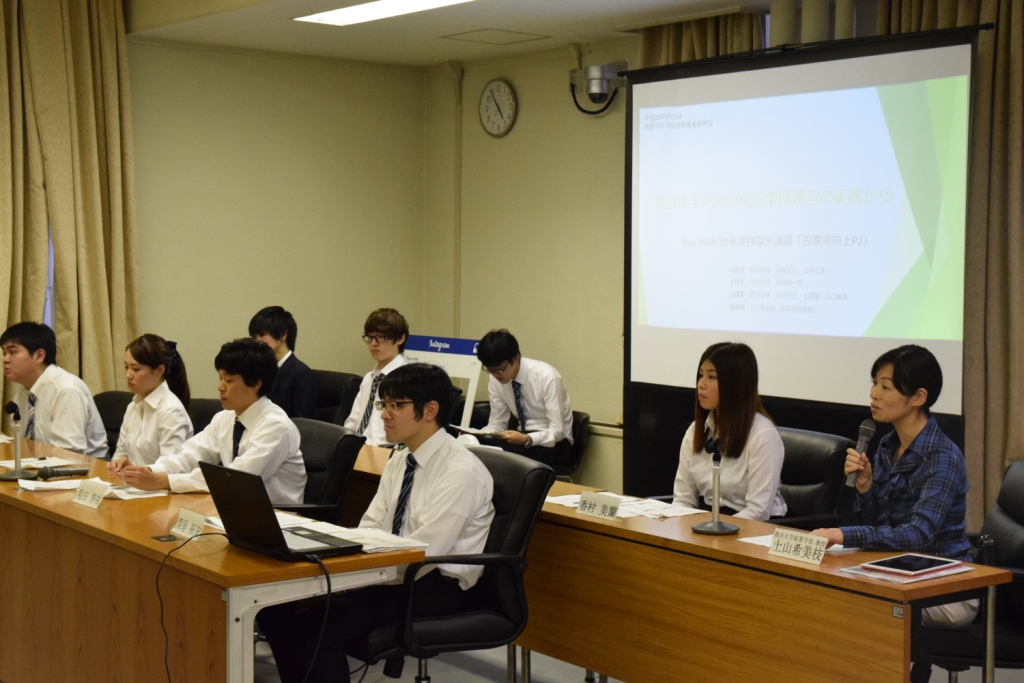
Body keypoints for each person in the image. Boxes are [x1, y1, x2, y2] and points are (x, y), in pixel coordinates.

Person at [258, 362, 494, 683]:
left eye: (396, 405)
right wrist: (339, 572)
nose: (384, 414)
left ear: (430, 410)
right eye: (384, 404)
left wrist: (349, 583)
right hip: (391, 570)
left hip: (434, 582)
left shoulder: (460, 470)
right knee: (275, 610)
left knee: (318, 626)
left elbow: (423, 552)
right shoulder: (401, 459)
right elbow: (371, 527)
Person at [811, 345, 976, 682]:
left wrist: (843, 535)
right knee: (826, 594)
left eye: (885, 387)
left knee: (852, 608)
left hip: (945, 584)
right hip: (897, 571)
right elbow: (881, 524)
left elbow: (917, 534)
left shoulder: (942, 457)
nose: (874, 394)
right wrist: (866, 487)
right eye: (874, 383)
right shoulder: (888, 445)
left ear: (918, 397)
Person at [118, 338, 305, 504]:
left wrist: (165, 481)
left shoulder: (275, 426)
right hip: (235, 509)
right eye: (220, 378)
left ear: (256, 383)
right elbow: (187, 456)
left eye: (228, 381)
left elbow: (235, 480)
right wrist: (146, 472)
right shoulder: (225, 418)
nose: (220, 387)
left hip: (279, 518)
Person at [672, 342, 786, 521]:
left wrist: (715, 530)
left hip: (754, 527)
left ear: (736, 384)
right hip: (709, 522)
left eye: (712, 377)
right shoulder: (696, 430)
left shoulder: (763, 435)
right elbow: (683, 500)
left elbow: (758, 511)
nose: (701, 384)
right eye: (701, 375)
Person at [1, 321, 107, 457]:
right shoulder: (25, 390)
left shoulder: (66, 390)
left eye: (12, 352)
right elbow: (22, 443)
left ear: (39, 355)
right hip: (39, 463)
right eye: (4, 353)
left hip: (84, 467)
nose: (5, 359)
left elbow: (68, 453)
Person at [475, 329, 573, 468]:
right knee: (477, 447)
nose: (495, 375)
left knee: (502, 455)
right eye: (490, 370)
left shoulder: (547, 377)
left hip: (554, 443)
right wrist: (476, 435)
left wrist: (527, 439)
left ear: (515, 358)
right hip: (521, 438)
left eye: (500, 369)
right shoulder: (496, 379)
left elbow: (558, 431)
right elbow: (497, 423)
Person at [106, 334, 193, 470]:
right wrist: (118, 463)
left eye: (136, 369)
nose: (128, 375)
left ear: (159, 370)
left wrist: (139, 472)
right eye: (126, 367)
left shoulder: (171, 410)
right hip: (131, 481)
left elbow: (170, 469)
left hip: (158, 483)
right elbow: (120, 453)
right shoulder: (133, 406)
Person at [343, 308, 409, 445]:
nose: (373, 343)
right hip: (357, 449)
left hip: (386, 451)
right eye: (370, 337)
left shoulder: (408, 379)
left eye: (381, 337)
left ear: (400, 338)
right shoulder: (369, 378)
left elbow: (405, 433)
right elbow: (353, 422)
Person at [249, 305, 317, 419]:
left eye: (261, 335)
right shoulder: (258, 369)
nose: (257, 341)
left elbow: (302, 422)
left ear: (282, 334)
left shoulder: (302, 374)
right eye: (254, 337)